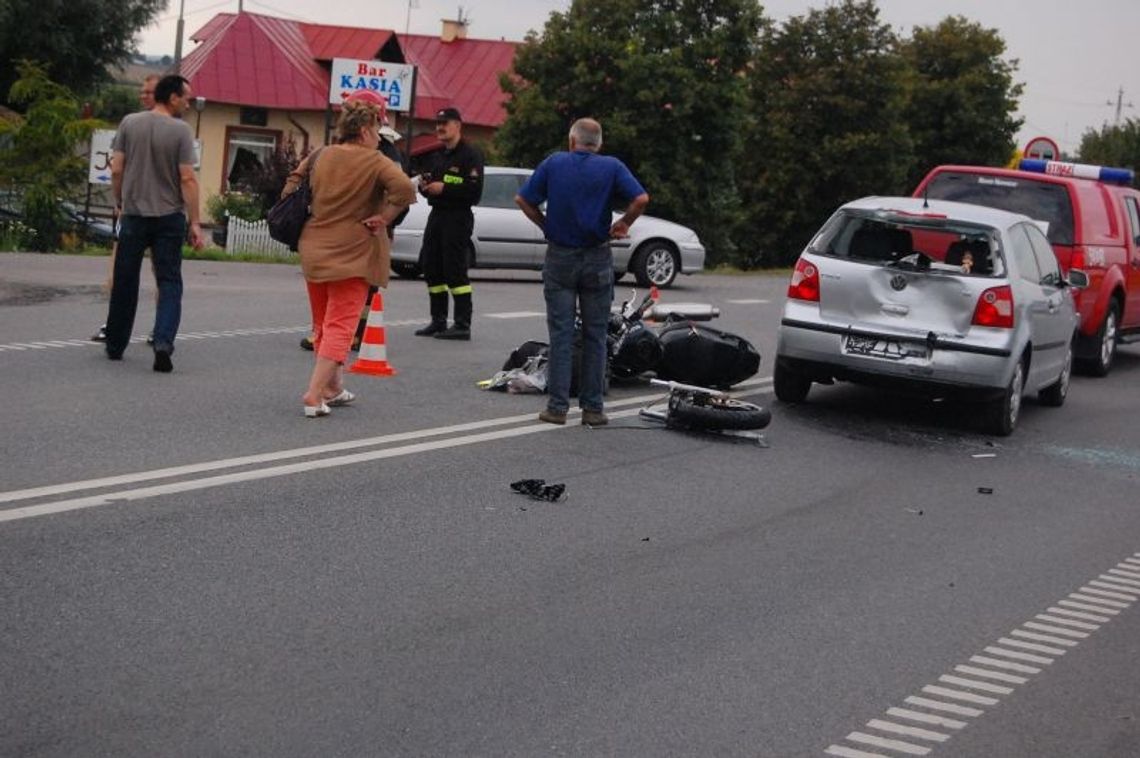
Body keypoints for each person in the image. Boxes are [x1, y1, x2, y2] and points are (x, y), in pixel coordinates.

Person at [284, 98, 415, 418]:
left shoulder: (321, 154)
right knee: (342, 325)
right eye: (377, 130)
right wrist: (384, 216)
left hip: (313, 247)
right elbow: (406, 191)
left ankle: (333, 386)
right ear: (367, 130)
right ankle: (314, 394)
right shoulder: (376, 161)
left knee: (322, 323)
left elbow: (290, 186)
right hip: (354, 252)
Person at [515, 118, 649, 426]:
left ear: (572, 140)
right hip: (598, 257)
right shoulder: (612, 167)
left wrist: (545, 224)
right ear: (598, 144)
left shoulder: (554, 163)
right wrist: (624, 223)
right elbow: (640, 199)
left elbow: (523, 198)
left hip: (560, 256)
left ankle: (557, 407)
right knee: (596, 335)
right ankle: (593, 408)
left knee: (561, 334)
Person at [104, 74, 205, 372]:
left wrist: (120, 202)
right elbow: (187, 177)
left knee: (125, 281)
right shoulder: (181, 132)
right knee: (170, 281)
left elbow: (117, 169)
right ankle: (163, 342)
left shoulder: (129, 123)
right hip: (169, 218)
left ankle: (116, 344)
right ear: (172, 97)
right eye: (185, 97)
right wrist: (195, 221)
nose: (188, 102)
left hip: (133, 214)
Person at [92, 74, 159, 343]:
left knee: (141, 272)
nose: (143, 95)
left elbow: (117, 168)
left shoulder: (137, 125)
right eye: (142, 91)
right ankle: (116, 324)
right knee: (120, 271)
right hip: (138, 208)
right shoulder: (134, 124)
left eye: (149, 91)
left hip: (145, 209)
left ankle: (156, 327)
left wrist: (120, 200)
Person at [413, 107, 484, 341]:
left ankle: (462, 324)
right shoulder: (438, 157)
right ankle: (438, 320)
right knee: (431, 266)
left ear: (458, 126)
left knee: (454, 269)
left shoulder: (470, 155)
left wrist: (445, 188)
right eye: (438, 123)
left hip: (458, 216)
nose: (439, 128)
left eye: (445, 123)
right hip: (438, 215)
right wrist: (426, 188)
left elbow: (474, 191)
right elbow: (431, 184)